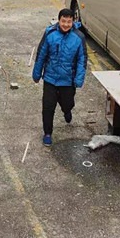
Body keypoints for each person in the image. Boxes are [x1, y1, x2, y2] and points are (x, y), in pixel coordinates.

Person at [32, 8, 87, 146]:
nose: (66, 24)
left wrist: (79, 79)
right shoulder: (49, 33)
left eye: (69, 22)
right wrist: (36, 74)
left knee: (67, 104)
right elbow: (41, 54)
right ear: (59, 20)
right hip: (50, 79)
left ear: (73, 22)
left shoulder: (79, 37)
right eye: (63, 21)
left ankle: (67, 111)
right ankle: (47, 133)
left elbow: (82, 59)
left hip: (68, 81)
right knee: (48, 107)